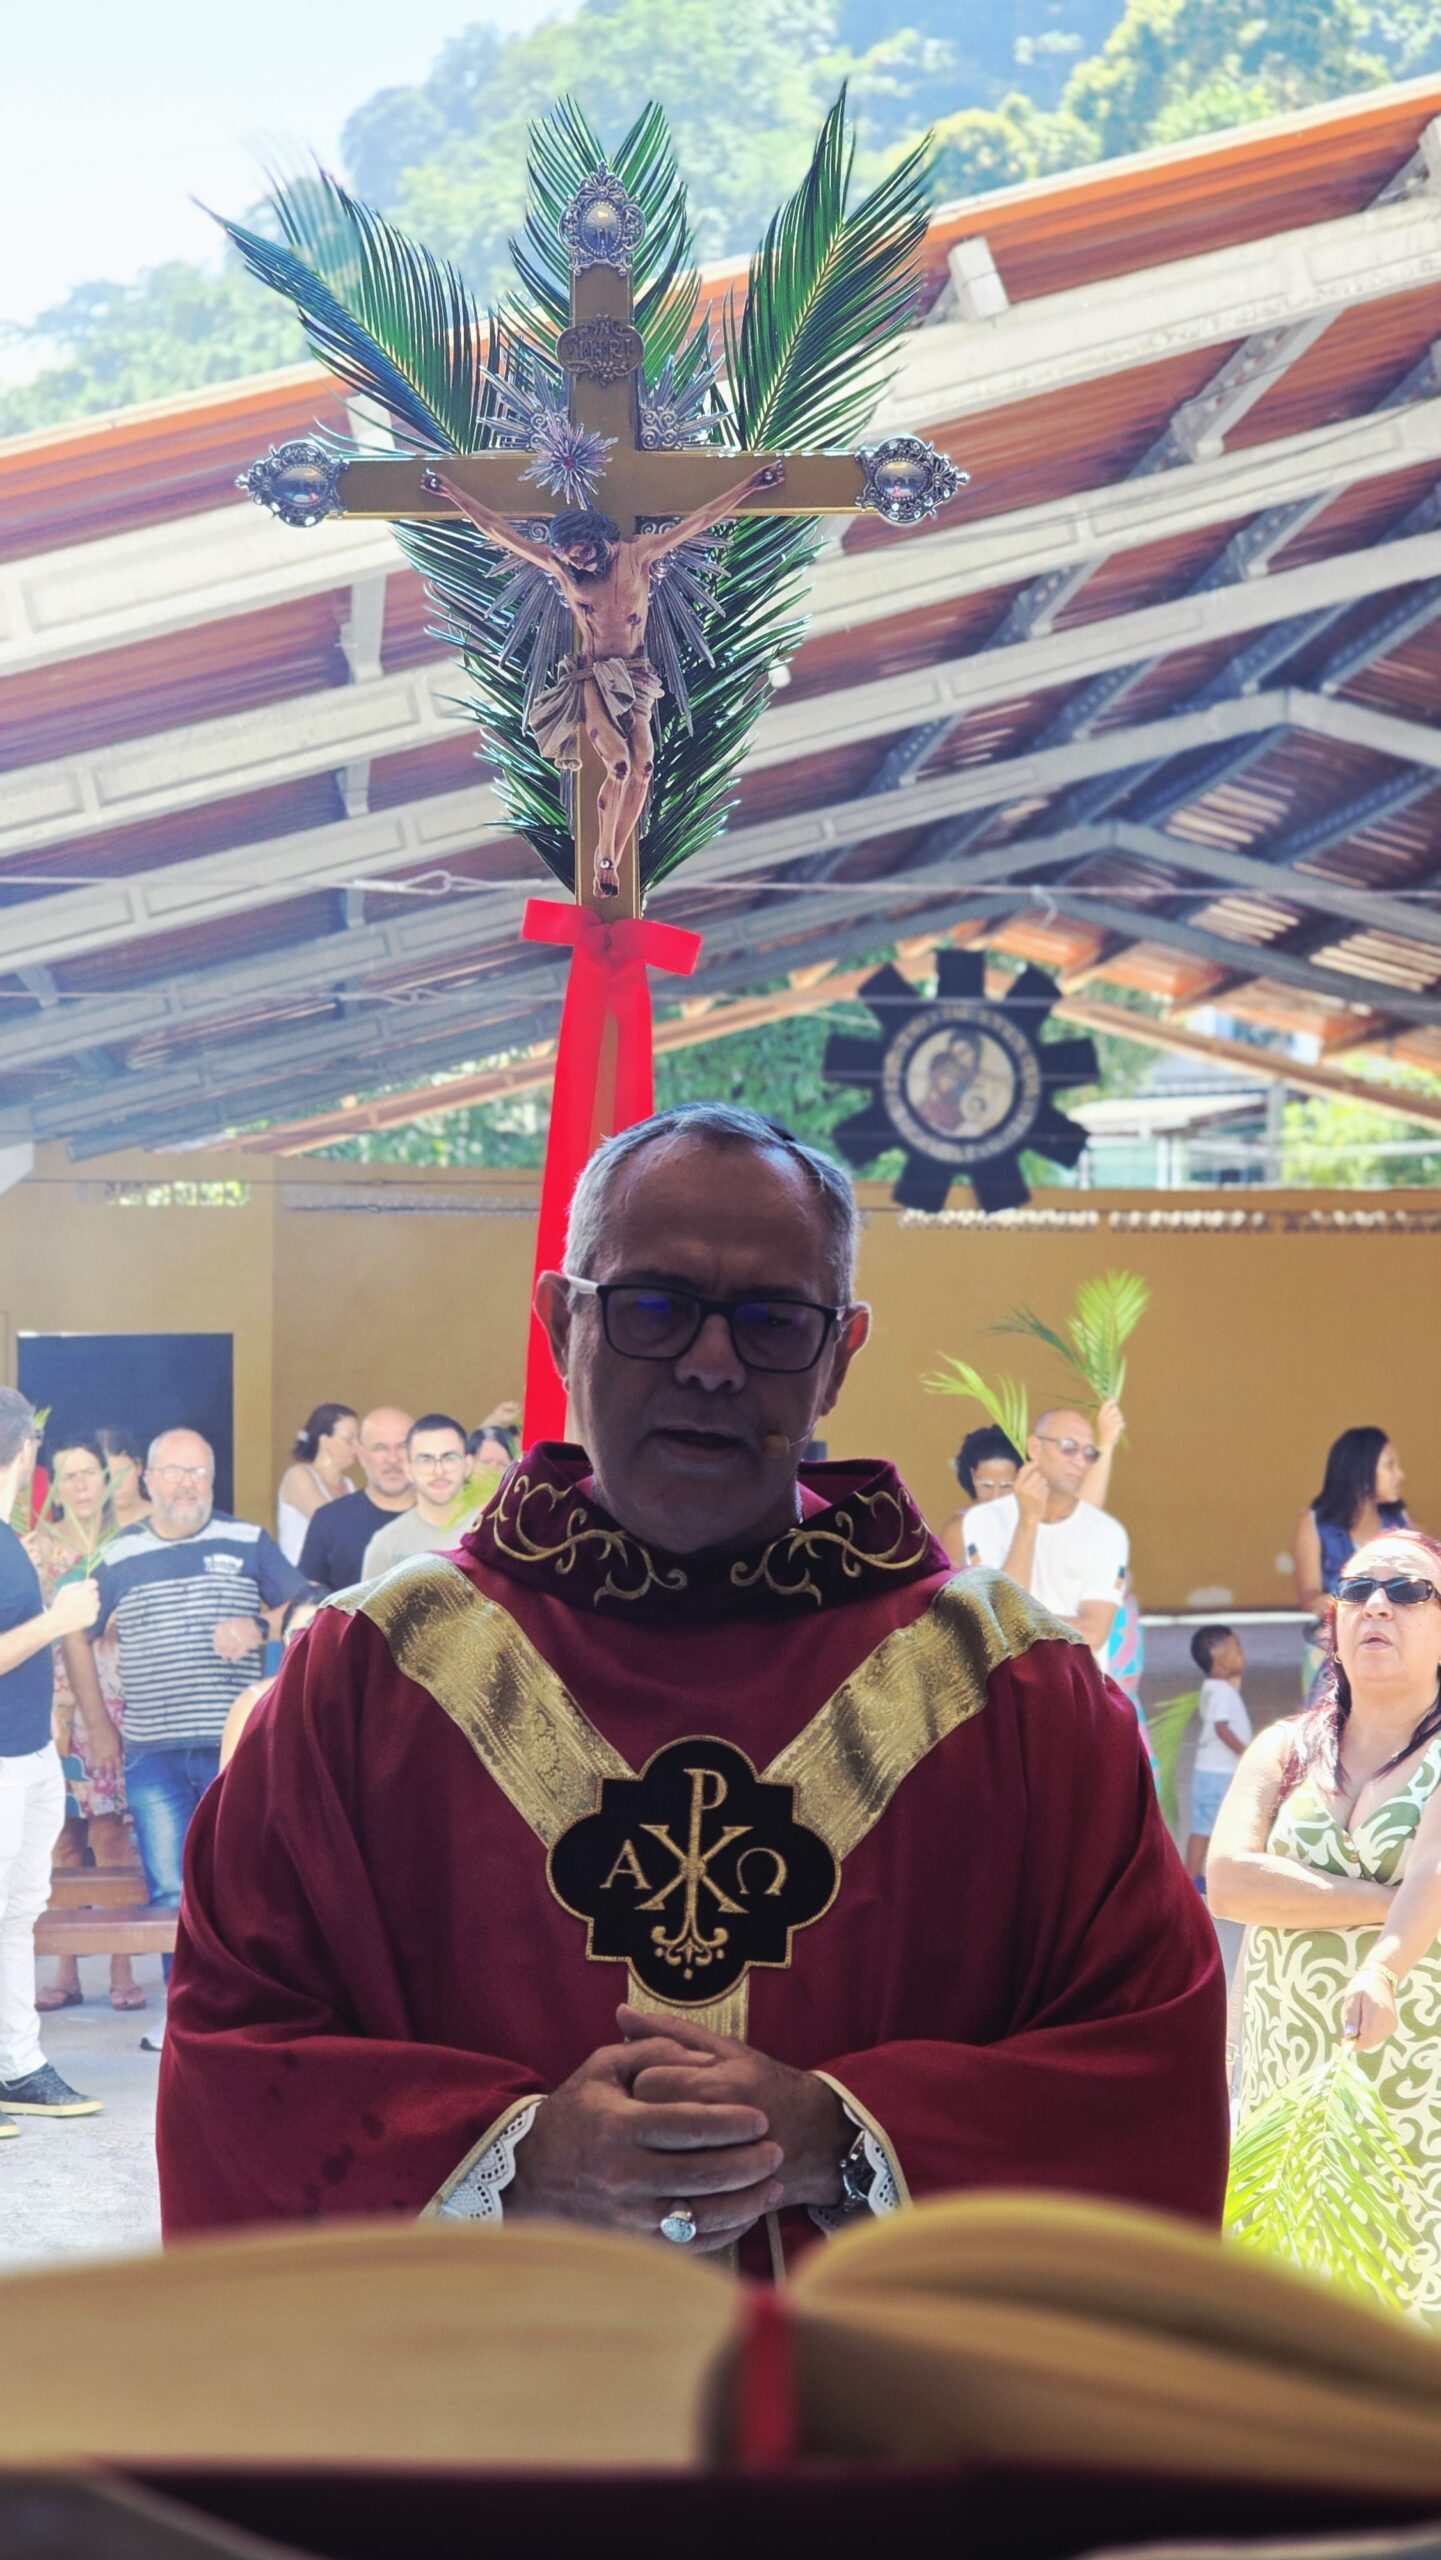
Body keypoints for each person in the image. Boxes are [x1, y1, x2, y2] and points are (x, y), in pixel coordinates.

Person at [159, 1102, 1226, 2255]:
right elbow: (234, 2059)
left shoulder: (1019, 1696)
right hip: (493, 2363)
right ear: (562, 1322)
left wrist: (847, 2134)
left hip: (878, 2371)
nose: (711, 1363)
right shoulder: (368, 1681)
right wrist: (508, 2156)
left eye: (773, 1319)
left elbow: (1147, 2070)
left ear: (838, 1355)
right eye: (654, 1305)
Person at [1211, 1529, 1441, 2322]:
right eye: (1357, 1590)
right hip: (1286, 2077)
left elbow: (1433, 1868)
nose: (1377, 1604)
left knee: (1408, 2288)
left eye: (1407, 1590)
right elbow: (1228, 1881)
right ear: (1333, 1620)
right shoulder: (1282, 1750)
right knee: (1287, 2298)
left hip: (1417, 2076)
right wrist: (1386, 1898)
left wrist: (1380, 1966)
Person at [62, 1429, 312, 2051]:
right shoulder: (120, 1552)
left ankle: (244, 2011)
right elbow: (75, 1633)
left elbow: (308, 1606)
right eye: (173, 1472)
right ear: (147, 1479)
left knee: (239, 1884)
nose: (186, 1485)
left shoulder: (247, 1540)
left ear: (213, 1479)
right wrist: (98, 1724)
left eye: (198, 1473)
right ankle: (185, 2014)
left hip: (237, 1751)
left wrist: (259, 1626)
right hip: (152, 1754)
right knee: (170, 1891)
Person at [429, 461, 785, 898]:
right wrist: (451, 494)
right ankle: (606, 859)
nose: (574, 560)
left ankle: (610, 856)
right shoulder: (564, 571)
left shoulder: (638, 554)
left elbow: (702, 520)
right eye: (567, 555)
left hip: (636, 677)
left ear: (598, 537)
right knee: (618, 766)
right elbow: (497, 530)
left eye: (580, 551)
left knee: (644, 769)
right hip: (593, 678)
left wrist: (750, 485)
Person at [0, 1388, 103, 2126]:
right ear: (26, 1449)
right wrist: (59, 1619)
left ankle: (17, 2066)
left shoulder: (7, 1535)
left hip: (28, 1753)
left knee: (16, 1916)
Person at [25, 1437, 144, 2014]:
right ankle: (66, 1970)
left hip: (120, 1706)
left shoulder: (133, 1542)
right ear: (54, 1485)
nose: (80, 1485)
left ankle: (122, 1967)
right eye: (68, 1475)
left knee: (113, 1838)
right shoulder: (35, 1549)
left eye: (89, 1473)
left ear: (107, 1478)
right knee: (62, 1840)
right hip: (53, 1711)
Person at [962, 1405, 1129, 1666]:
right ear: (1035, 1448)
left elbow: (1094, 1633)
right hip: (1008, 1686)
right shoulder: (984, 1520)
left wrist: (1020, 1623)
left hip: (1077, 1687)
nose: (1080, 1461)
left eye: (1089, 1453)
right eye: (1068, 1447)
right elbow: (1000, 1613)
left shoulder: (1108, 1533)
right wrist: (1028, 1522)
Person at [1293, 1427, 1409, 1699]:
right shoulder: (1314, 1524)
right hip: (1332, 1651)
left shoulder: (1400, 1522)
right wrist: (1348, 1604)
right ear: (1362, 1472)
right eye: (1389, 1466)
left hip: (1392, 1648)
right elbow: (1308, 1596)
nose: (1400, 1475)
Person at [298, 1409, 414, 1592]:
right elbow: (307, 1602)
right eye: (380, 1448)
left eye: (402, 1447)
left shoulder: (446, 1519)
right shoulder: (329, 1521)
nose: (393, 1458)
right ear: (361, 1455)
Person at [360, 1415, 489, 1579]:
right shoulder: (386, 1545)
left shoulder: (493, 1535)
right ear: (408, 1469)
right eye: (425, 1460)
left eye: (450, 1458)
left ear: (469, 1464)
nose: (439, 1471)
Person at [219, 1599, 323, 1772]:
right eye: (298, 1633)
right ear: (285, 1639)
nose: (308, 1641)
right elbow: (229, 1782)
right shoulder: (254, 1701)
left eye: (320, 1631)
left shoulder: (354, 1699)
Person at [1185, 1625, 1251, 1887]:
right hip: (1218, 1773)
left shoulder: (1215, 1687)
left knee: (1203, 1826)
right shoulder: (1222, 1692)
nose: (1243, 1655)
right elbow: (1221, 1728)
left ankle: (1193, 1876)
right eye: (1238, 1649)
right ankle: (1193, 1877)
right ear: (1219, 1659)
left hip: (1210, 1772)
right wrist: (1246, 1753)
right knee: (1213, 1827)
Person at [276, 1404, 359, 1566]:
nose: (356, 1447)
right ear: (325, 1441)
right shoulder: (298, 1476)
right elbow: (330, 1525)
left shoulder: (349, 1485)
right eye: (349, 1439)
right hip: (300, 1577)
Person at [938, 1425, 1021, 1567]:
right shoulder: (959, 1529)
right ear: (972, 1476)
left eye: (1007, 1486)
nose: (996, 1496)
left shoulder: (1030, 1518)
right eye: (987, 1485)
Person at [96, 1426, 151, 1534]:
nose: (116, 1485)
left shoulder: (163, 1517)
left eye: (121, 1473)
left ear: (138, 1466)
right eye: (107, 1476)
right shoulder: (93, 1531)